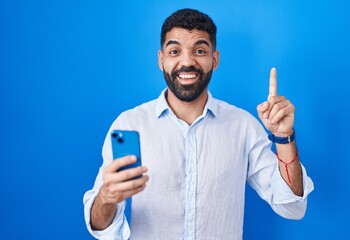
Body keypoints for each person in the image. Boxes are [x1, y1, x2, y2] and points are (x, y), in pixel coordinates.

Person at [83, 8, 314, 240]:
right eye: (174, 51)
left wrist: (284, 137)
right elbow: (102, 228)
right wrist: (106, 197)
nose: (187, 62)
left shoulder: (243, 126)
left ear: (214, 60)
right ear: (161, 60)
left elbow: (292, 207)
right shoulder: (130, 124)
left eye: (200, 50)